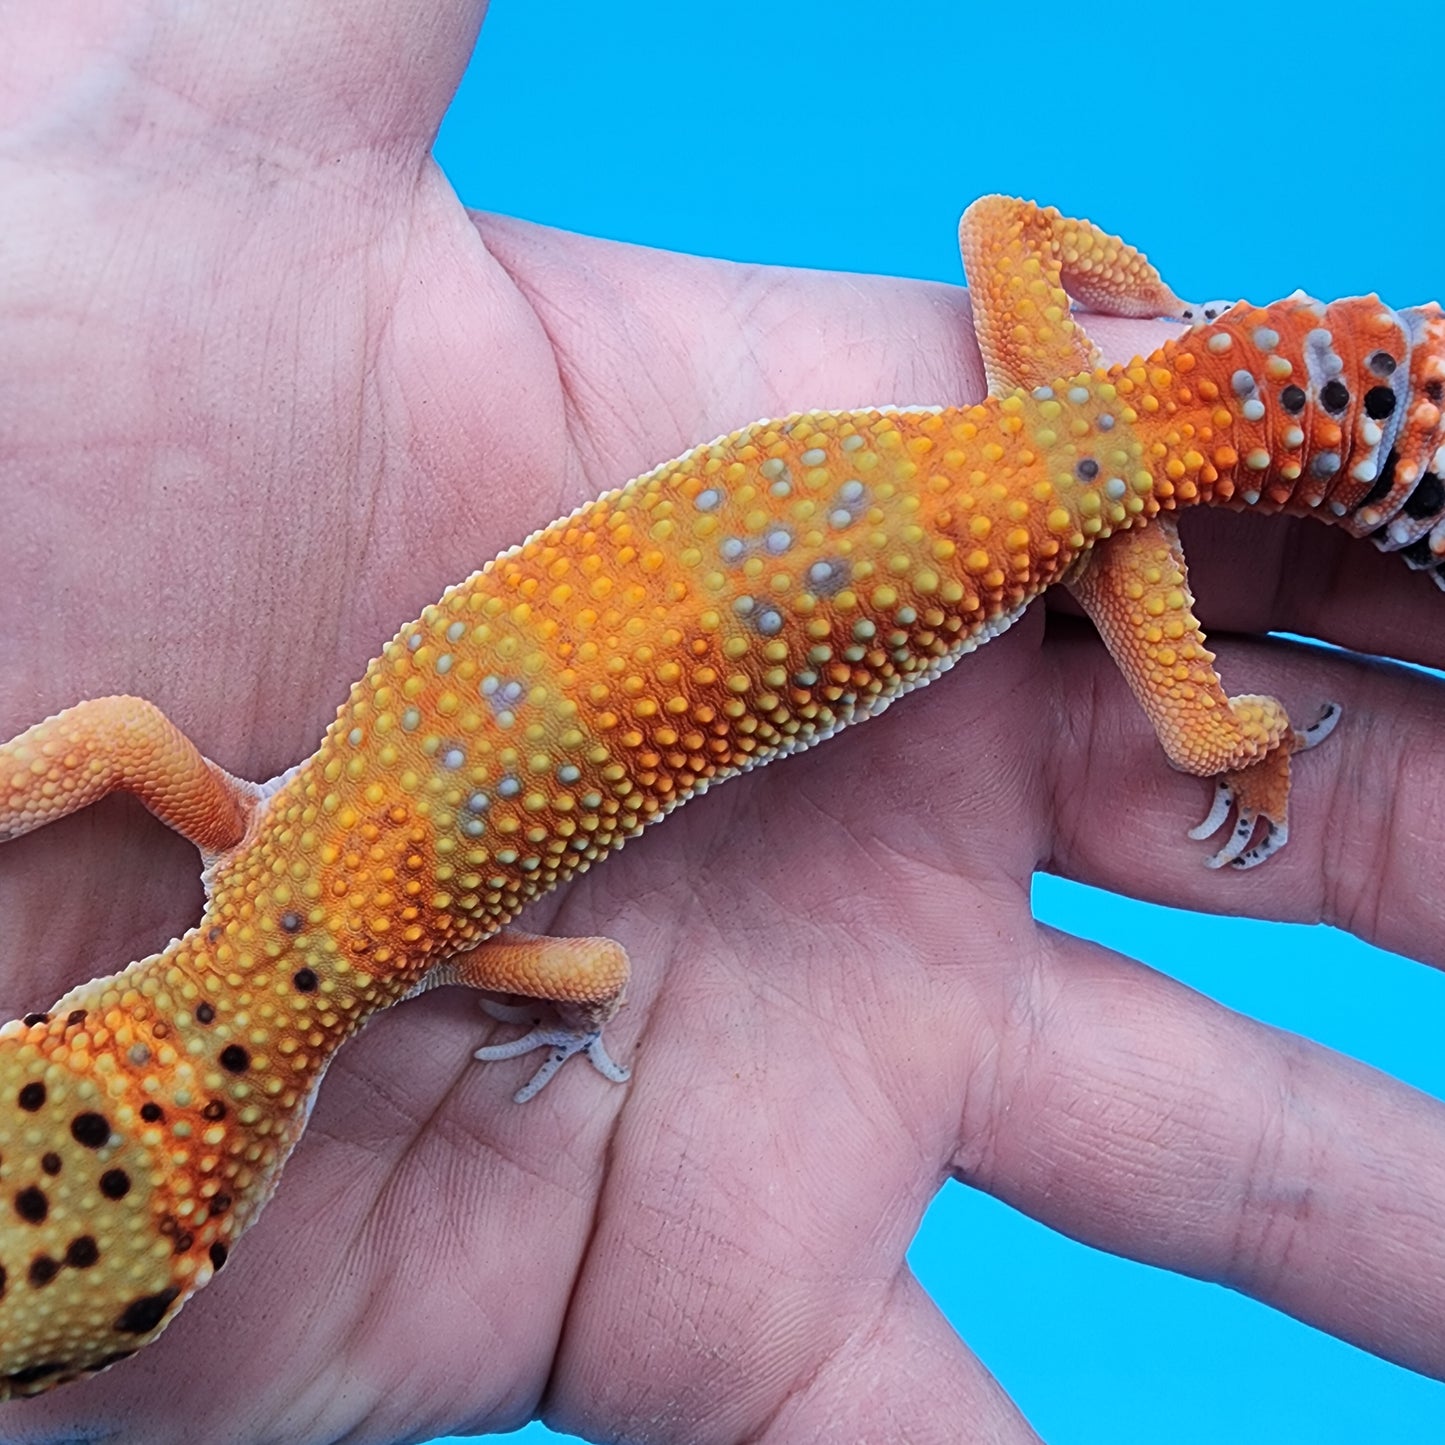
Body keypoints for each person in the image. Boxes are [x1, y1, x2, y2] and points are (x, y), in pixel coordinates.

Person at [2, 3, 1442, 1440]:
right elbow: (124, 734)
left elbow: (594, 967)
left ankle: (1247, 728)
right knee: (998, 223)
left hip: (1078, 504)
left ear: (223, 1227)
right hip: (1036, 425)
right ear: (53, 1032)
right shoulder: (243, 837)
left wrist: (1241, 750)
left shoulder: (429, 950)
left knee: (1200, 739)